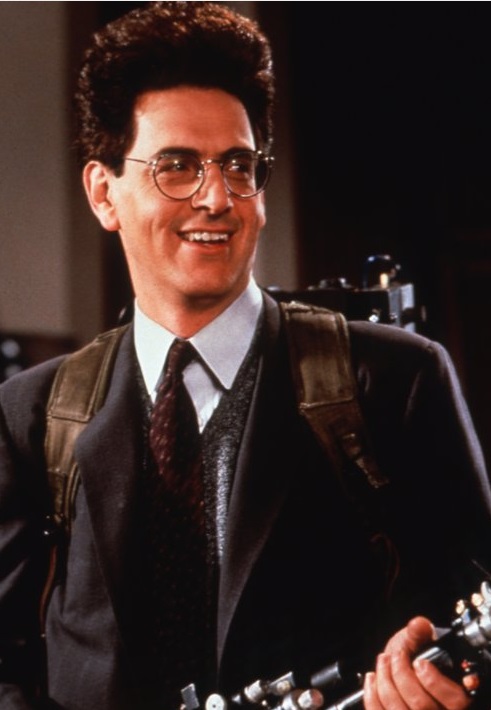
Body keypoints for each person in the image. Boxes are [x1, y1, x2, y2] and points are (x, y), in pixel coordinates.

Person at [0, 3, 490, 709]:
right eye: (176, 167)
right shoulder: (30, 415)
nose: (217, 198)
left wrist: (440, 687)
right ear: (104, 193)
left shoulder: (395, 383)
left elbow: (474, 621)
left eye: (238, 165)